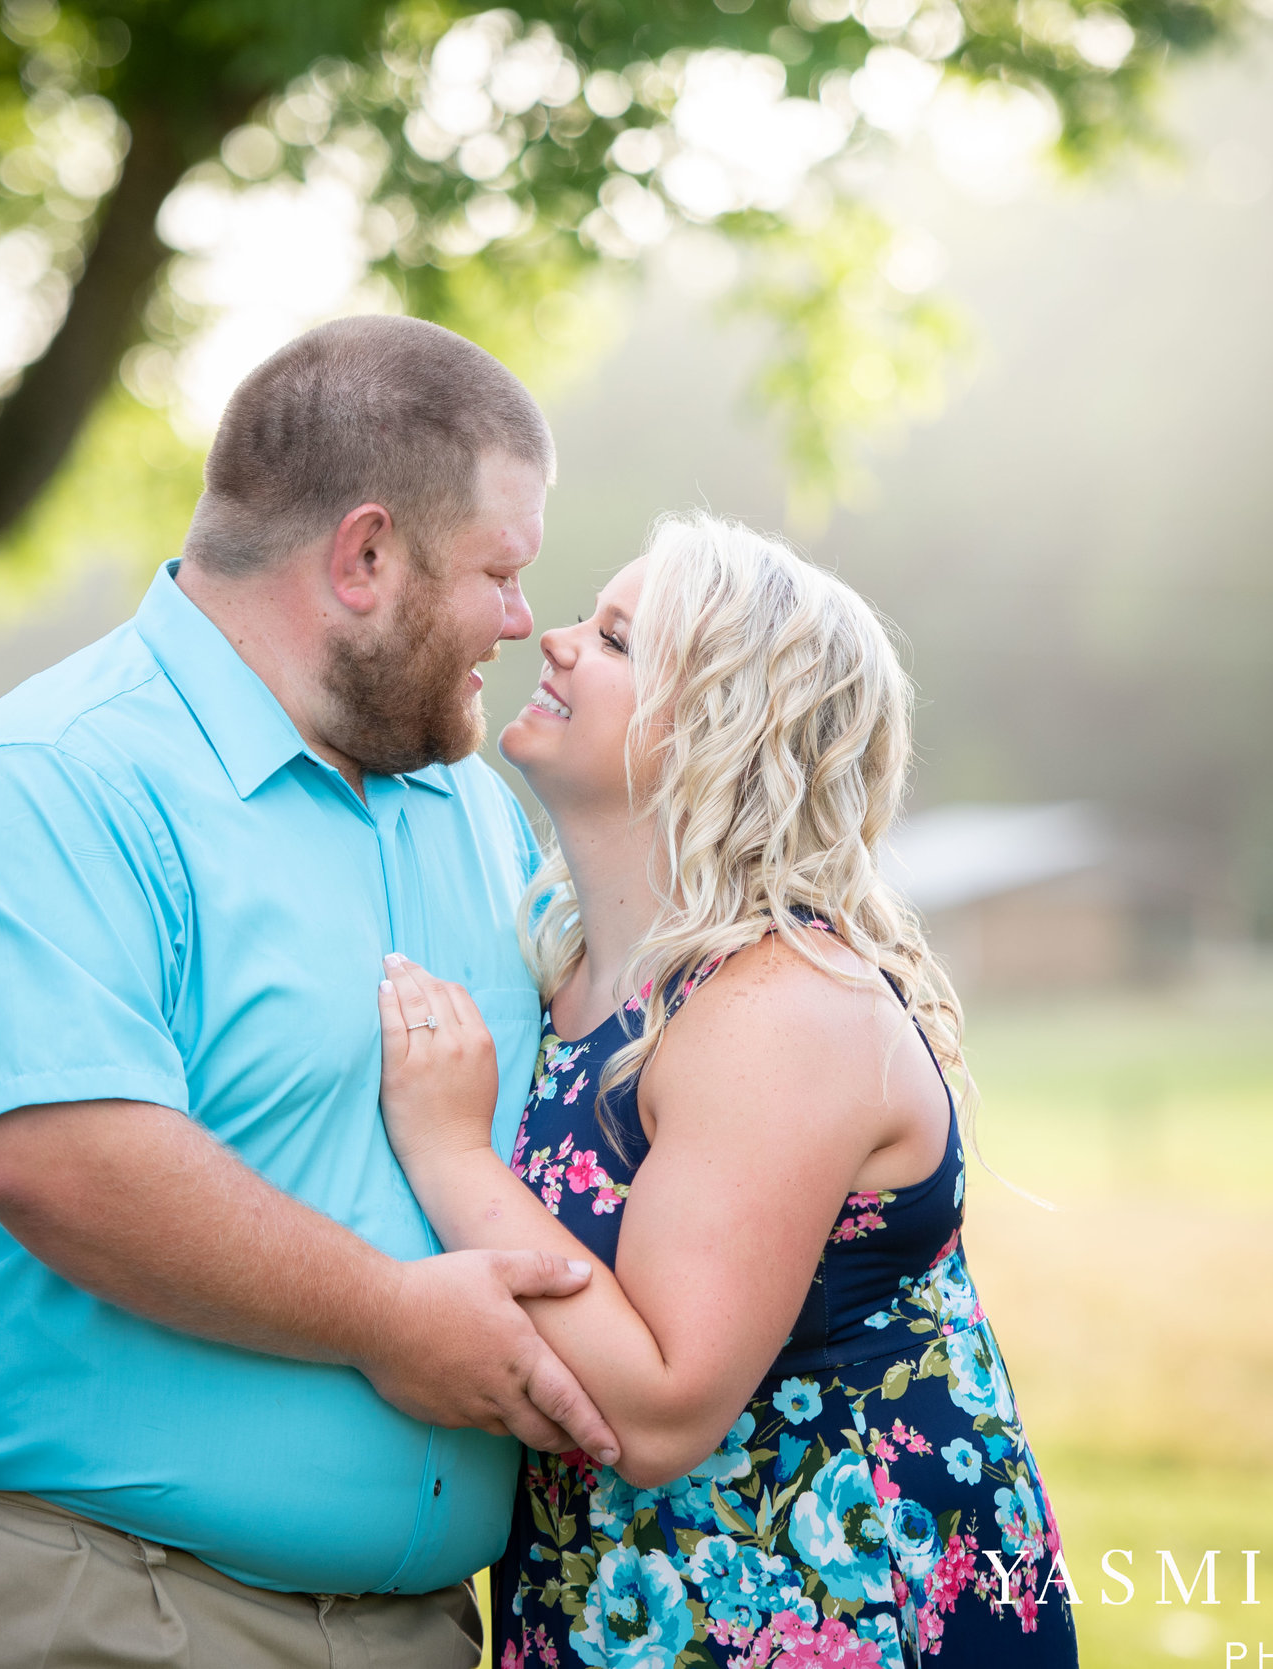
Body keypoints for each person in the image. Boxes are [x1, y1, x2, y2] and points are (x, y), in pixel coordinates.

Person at [0, 315, 622, 1669]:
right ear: (366, 556)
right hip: (93, 1606)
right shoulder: (46, 784)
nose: (519, 619)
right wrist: (389, 1317)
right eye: (499, 570)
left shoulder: (467, 809)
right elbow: (60, 1161)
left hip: (421, 1628)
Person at [376, 513, 1081, 1666]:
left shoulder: (780, 1003)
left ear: (720, 728)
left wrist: (451, 1153)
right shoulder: (568, 977)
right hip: (632, 1602)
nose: (552, 641)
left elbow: (659, 1407)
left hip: (821, 1609)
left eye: (613, 639)